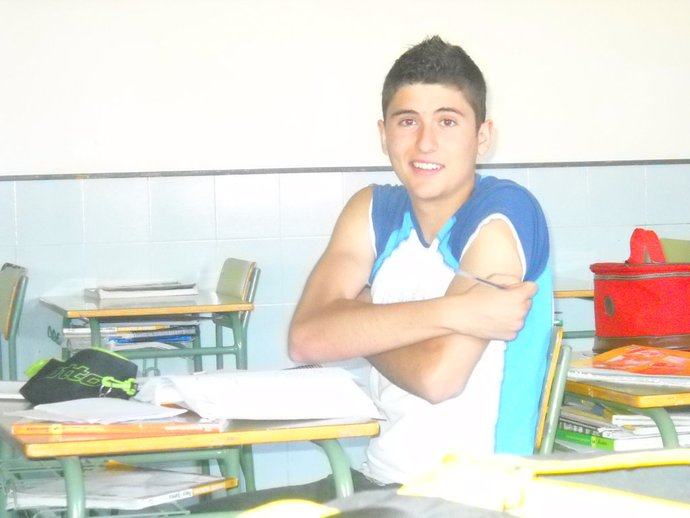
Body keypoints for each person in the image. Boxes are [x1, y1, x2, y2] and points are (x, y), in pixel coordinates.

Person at [190, 35, 552, 512]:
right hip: (376, 483)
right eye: (408, 121)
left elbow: (438, 378)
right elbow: (305, 339)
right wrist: (454, 312)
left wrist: (359, 321)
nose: (426, 142)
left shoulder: (505, 212)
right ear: (384, 134)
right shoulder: (374, 210)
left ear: (482, 136)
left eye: (447, 121)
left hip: (469, 500)